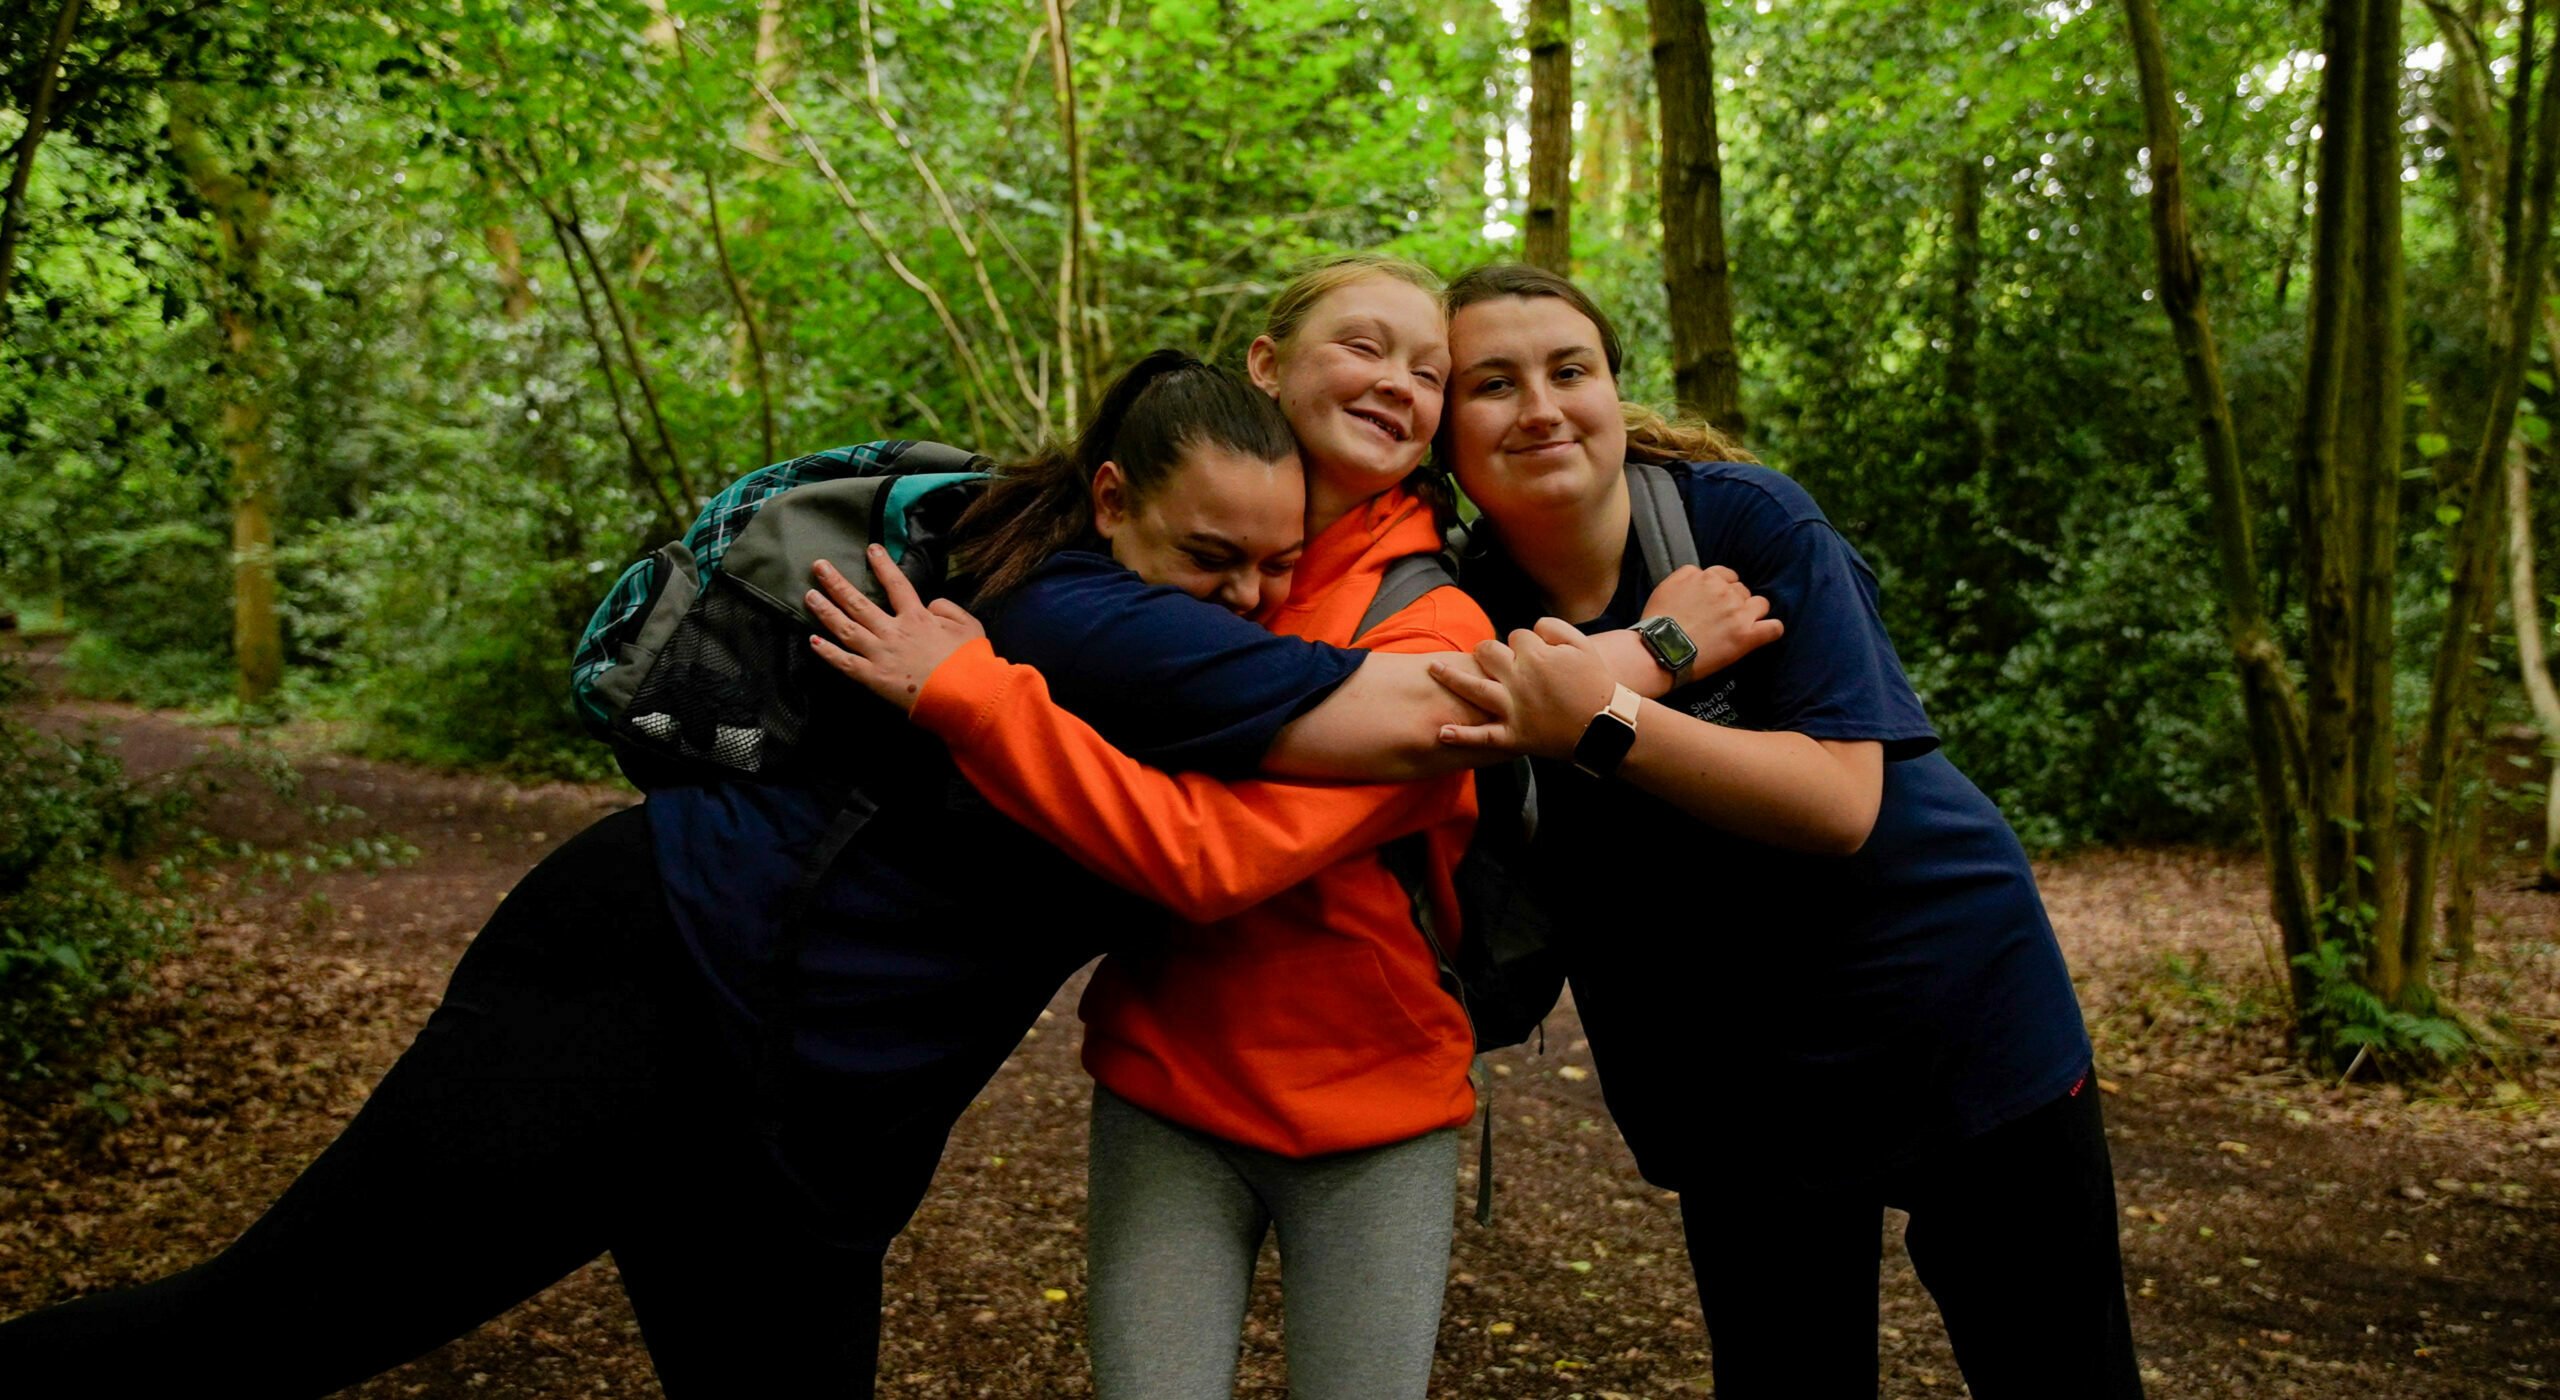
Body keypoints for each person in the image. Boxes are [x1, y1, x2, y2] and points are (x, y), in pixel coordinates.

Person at [0, 350, 1454, 1398]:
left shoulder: (1139, 605)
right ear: (1114, 493)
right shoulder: (1080, 612)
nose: (1251, 601)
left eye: (1276, 566)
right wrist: (1649, 655)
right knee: (266, 1331)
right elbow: (1422, 711)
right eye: (1215, 557)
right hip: (654, 984)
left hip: (802, 1097)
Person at [808, 255, 1775, 1400]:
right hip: (1167, 1081)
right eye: (1362, 347)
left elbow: (1211, 858)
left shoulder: (1432, 622)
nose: (1395, 385)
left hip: (1374, 1105)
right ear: (1265, 365)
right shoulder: (1159, 561)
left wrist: (972, 691)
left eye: (1429, 371)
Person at [1419, 263, 2143, 1399]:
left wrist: (1600, 719)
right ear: (1442, 432)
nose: (1542, 406)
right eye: (1492, 383)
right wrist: (1658, 654)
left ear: (1614, 391)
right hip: (1730, 1076)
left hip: (1948, 1005)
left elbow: (1838, 804)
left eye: (1571, 370)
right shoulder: (1457, 606)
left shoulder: (1740, 519)